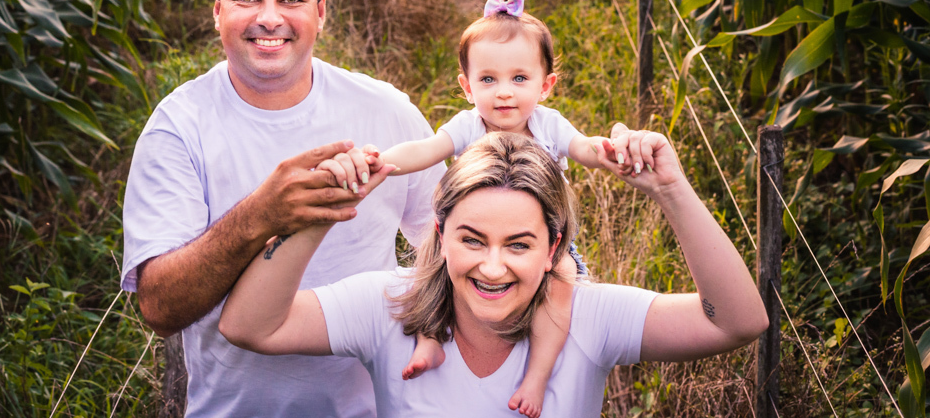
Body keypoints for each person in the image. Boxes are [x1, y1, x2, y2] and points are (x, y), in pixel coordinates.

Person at [120, 0, 445, 418]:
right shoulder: (178, 128)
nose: (269, 18)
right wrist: (261, 215)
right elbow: (160, 310)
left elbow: (448, 243)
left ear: (320, 11)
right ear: (217, 10)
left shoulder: (387, 110)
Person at [219, 128, 770, 418]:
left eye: (519, 244)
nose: (491, 267)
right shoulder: (388, 307)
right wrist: (320, 212)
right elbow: (251, 326)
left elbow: (735, 323)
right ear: (439, 231)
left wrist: (671, 190)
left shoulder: (588, 317)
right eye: (471, 239)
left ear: (555, 245)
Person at [316, 0, 623, 417]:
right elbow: (425, 150)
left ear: (546, 84)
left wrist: (611, 152)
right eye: (488, 79)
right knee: (429, 266)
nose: (503, 92)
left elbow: (584, 149)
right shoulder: (467, 125)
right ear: (466, 85)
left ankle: (536, 376)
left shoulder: (548, 125)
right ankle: (430, 339)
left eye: (520, 79)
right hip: (472, 237)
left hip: (543, 244)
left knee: (563, 284)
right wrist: (379, 161)